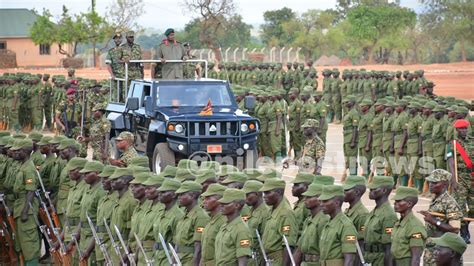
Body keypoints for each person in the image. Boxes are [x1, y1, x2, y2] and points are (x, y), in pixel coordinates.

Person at [419, 169, 462, 265]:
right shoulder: (436, 199)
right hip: (432, 247)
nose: (431, 184)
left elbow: (455, 229)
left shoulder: (450, 203)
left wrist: (434, 221)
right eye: (430, 182)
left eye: (435, 182)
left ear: (445, 185)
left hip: (443, 251)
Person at [11, 139, 41, 264]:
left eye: (18, 150)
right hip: (20, 204)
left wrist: (25, 211)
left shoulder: (29, 168)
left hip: (26, 207)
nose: (15, 152)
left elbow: (31, 191)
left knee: (29, 243)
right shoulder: (23, 165)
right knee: (21, 241)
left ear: (25, 151)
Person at [259, 178, 297, 265]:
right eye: (264, 193)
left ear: (279, 192)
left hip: (278, 261)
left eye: (268, 192)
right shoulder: (272, 210)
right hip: (268, 260)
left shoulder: (286, 213)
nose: (264, 196)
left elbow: (288, 245)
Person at [293, 179, 332, 265]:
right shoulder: (309, 219)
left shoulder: (324, 220)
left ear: (319, 198)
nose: (305, 200)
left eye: (309, 197)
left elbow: (326, 250)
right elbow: (300, 248)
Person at [447, 119, 474, 243]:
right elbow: (451, 162)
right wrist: (453, 179)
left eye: (465, 129)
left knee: (473, 207)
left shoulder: (472, 142)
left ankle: (467, 226)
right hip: (461, 177)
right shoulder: (452, 144)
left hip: (473, 177)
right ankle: (464, 232)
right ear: (457, 130)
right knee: (461, 206)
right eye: (461, 129)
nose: (463, 131)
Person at [363, 176, 398, 266]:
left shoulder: (388, 215)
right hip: (369, 257)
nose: (370, 190)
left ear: (384, 191)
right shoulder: (374, 211)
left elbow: (389, 248)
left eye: (374, 188)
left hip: (380, 260)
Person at [319, 185, 357, 265]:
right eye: (321, 201)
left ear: (336, 203)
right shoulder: (329, 223)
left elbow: (349, 259)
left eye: (325, 201)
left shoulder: (346, 225)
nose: (321, 204)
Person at [174, 181, 210, 265]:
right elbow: (178, 241)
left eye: (182, 194)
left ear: (192, 196)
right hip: (180, 259)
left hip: (190, 260)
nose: (179, 197)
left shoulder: (200, 216)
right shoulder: (185, 215)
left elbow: (199, 246)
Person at [76, 161, 106, 265]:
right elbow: (83, 216)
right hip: (84, 235)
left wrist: (89, 249)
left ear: (97, 173)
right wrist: (77, 233)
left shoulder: (101, 192)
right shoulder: (88, 189)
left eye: (87, 173)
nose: (84, 176)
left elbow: (100, 222)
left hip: (92, 236)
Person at [214, 188, 252, 265]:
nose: (221, 205)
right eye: (221, 203)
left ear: (237, 205)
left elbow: (242, 260)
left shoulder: (241, 229)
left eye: (226, 203)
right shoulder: (224, 226)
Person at [391, 186, 427, 265]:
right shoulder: (399, 223)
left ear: (409, 204)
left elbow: (416, 257)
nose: (395, 203)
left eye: (398, 201)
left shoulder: (415, 226)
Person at [153, 178, 184, 265]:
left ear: (174, 195)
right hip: (158, 256)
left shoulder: (178, 215)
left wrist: (173, 261)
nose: (159, 194)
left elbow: (177, 243)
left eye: (163, 192)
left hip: (169, 258)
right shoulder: (161, 213)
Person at [242, 180, 270, 265]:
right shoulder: (251, 211)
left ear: (257, 194)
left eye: (248, 195)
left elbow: (265, 241)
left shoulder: (265, 213)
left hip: (258, 258)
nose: (245, 198)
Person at [343, 175, 369, 265]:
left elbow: (361, 245)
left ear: (357, 192)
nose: (343, 192)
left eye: (346, 190)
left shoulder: (362, 214)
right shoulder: (348, 211)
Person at [200, 184, 227, 265]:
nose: (204, 201)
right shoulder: (211, 220)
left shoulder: (223, 221)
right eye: (204, 198)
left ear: (219, 200)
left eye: (208, 198)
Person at [342, 96, 360, 178]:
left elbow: (355, 128)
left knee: (352, 158)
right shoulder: (348, 112)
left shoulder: (354, 113)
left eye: (348, 102)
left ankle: (353, 176)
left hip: (351, 137)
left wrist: (353, 140)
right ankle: (350, 175)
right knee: (348, 158)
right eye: (345, 102)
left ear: (352, 103)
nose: (346, 103)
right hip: (346, 137)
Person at [291, 173, 313, 237]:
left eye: (296, 185)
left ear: (307, 187)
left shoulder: (307, 205)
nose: (293, 187)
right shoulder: (299, 203)